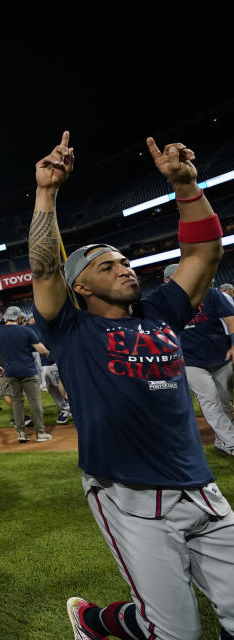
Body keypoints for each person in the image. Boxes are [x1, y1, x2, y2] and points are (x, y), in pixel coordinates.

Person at [26, 132, 234, 640]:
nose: (124, 268)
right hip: (130, 495)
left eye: (124, 261)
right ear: (80, 285)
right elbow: (43, 265)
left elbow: (204, 252)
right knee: (176, 633)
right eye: (107, 266)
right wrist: (48, 193)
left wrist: (187, 186)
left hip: (201, 490)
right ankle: (93, 623)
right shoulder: (69, 329)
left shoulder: (160, 310)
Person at [163, 263, 234, 456]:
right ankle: (232, 441)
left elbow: (231, 319)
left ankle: (223, 441)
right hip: (190, 361)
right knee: (209, 401)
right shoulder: (164, 305)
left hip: (222, 355)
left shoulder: (211, 294)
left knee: (224, 401)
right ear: (166, 281)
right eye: (171, 279)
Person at [0, 306, 51, 442]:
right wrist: (48, 351)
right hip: (28, 370)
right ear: (19, 317)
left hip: (10, 371)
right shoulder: (26, 331)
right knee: (35, 402)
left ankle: (21, 433)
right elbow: (41, 350)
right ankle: (40, 433)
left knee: (17, 402)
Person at [27, 314, 72, 424]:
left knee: (65, 383)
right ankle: (66, 408)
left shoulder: (53, 324)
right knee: (51, 385)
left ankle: (71, 407)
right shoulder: (32, 328)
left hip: (60, 357)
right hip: (47, 360)